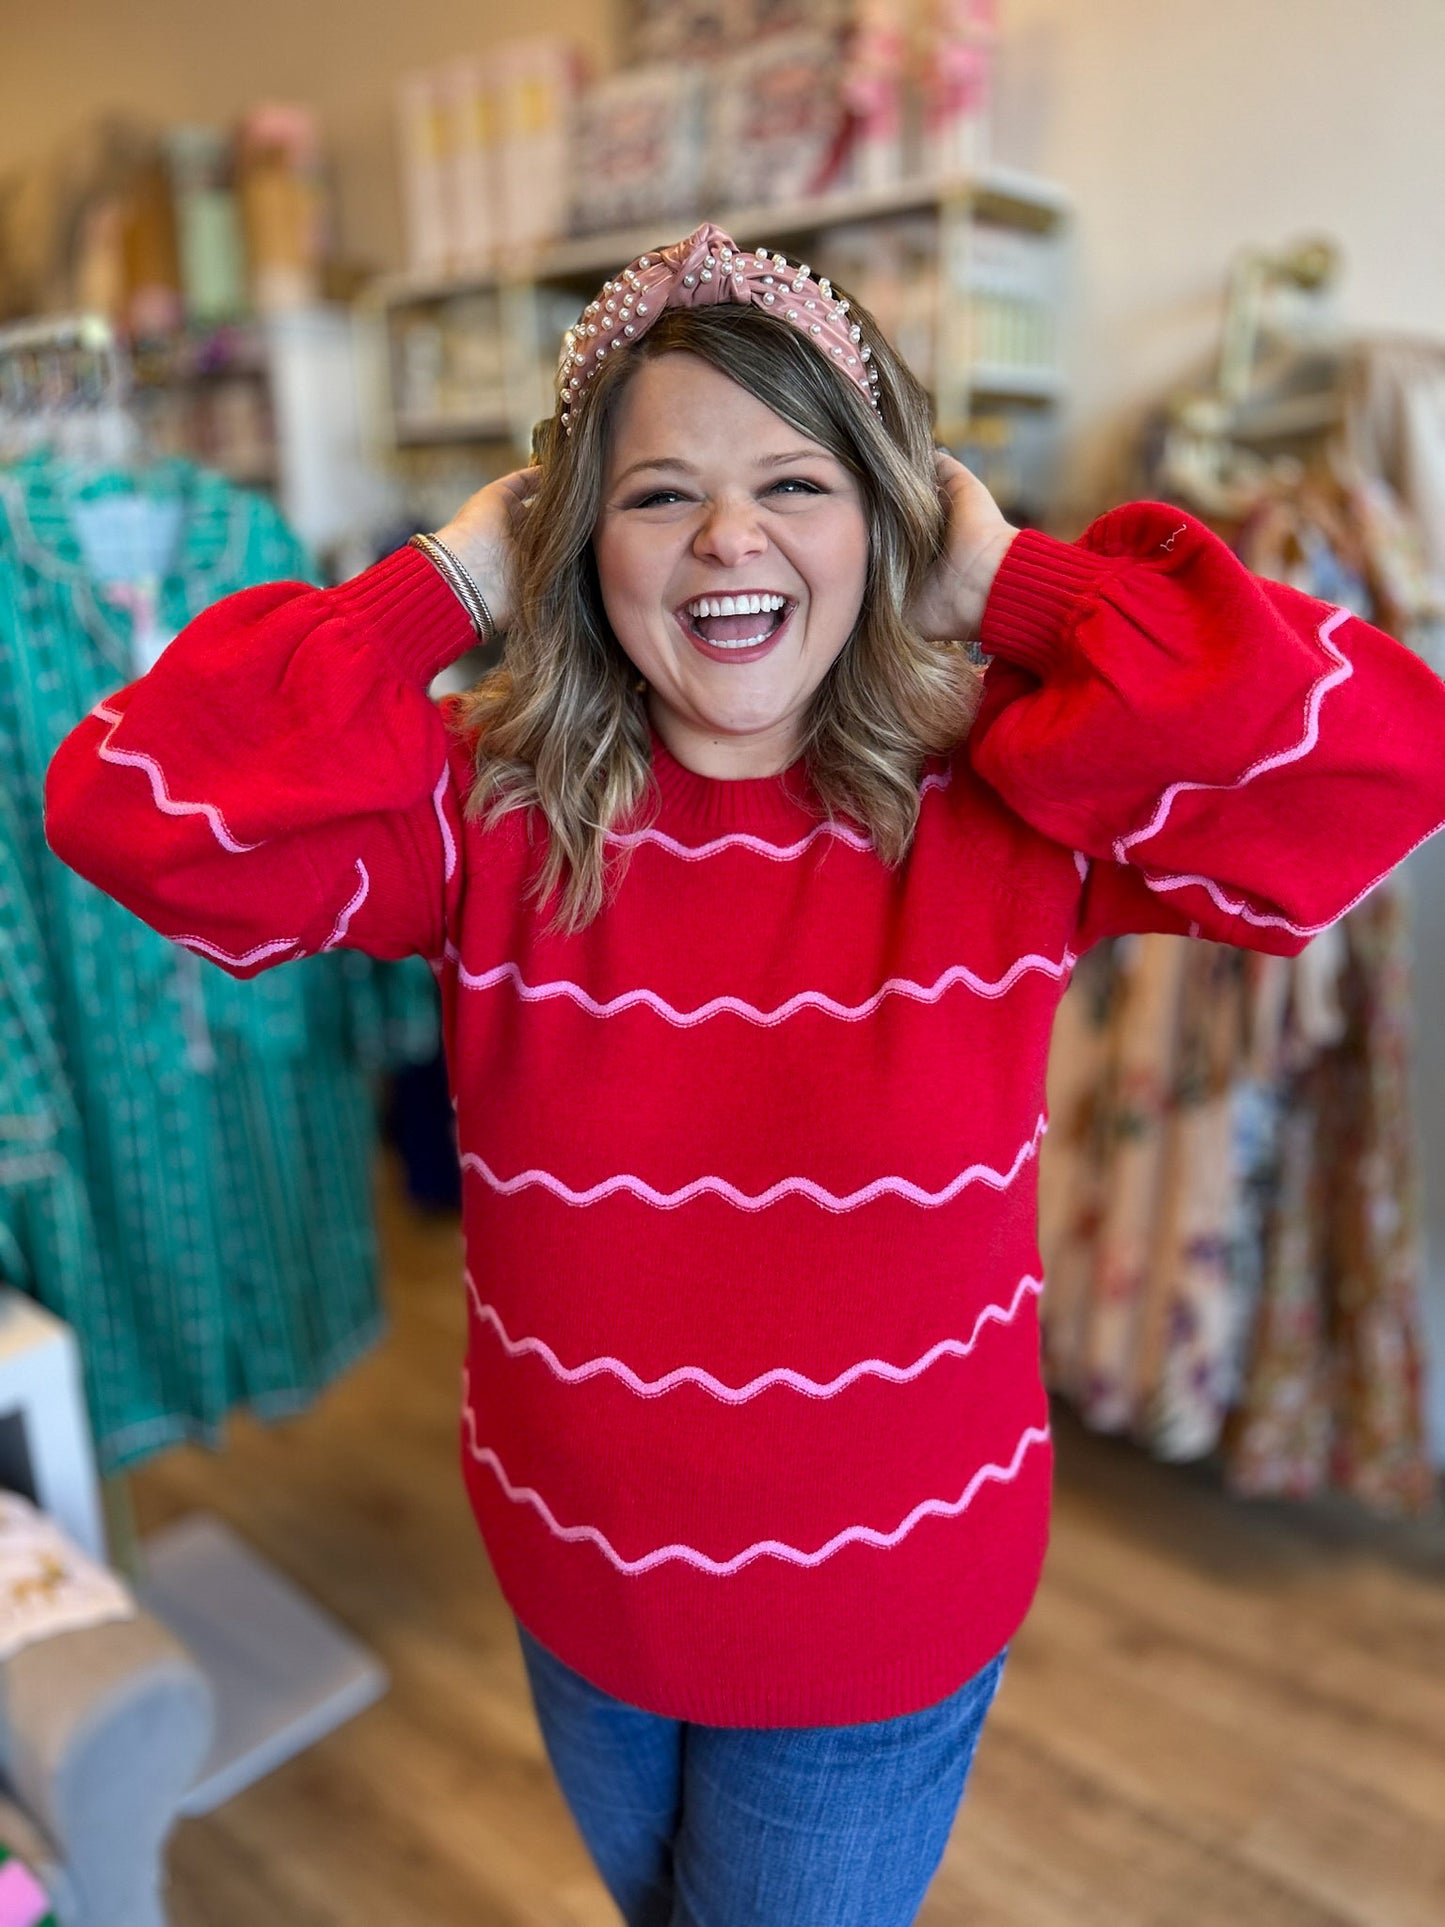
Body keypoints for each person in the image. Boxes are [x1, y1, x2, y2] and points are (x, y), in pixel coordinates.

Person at [45, 222, 1445, 1925]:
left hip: (878, 1614)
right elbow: (126, 807)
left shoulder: (1004, 801)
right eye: (651, 496)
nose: (727, 534)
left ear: (889, 517)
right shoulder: (482, 819)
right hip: (579, 1584)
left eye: (797, 481)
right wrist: (454, 574)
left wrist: (1015, 585)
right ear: (577, 541)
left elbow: (1381, 754)